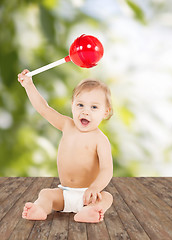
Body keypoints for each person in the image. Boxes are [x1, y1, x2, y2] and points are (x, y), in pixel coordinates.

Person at [18, 69, 113, 223]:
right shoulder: (67, 125)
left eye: (94, 107)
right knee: (46, 194)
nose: (85, 112)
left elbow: (106, 169)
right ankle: (40, 208)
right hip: (64, 192)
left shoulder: (100, 140)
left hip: (88, 196)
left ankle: (90, 211)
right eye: (80, 105)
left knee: (107, 197)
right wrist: (29, 85)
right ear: (72, 105)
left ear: (105, 112)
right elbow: (44, 109)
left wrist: (95, 188)